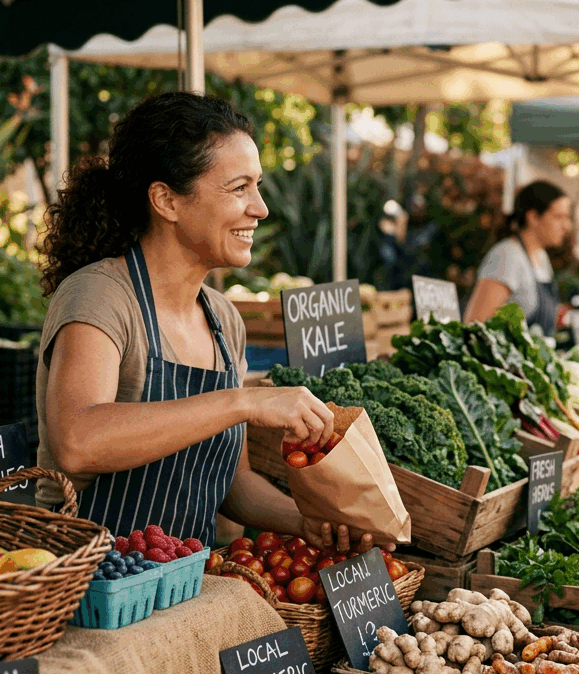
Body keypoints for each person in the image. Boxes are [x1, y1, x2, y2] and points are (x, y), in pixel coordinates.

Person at [36, 92, 376, 551]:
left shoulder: (222, 318)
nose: (260, 207)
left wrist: (302, 520)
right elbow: (78, 441)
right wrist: (242, 403)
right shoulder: (100, 297)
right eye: (239, 188)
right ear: (166, 201)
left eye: (257, 186)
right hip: (89, 586)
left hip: (183, 585)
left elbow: (231, 485)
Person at [463, 181, 570, 335]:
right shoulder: (507, 256)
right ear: (533, 217)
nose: (566, 226)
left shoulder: (541, 257)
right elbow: (475, 324)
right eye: (558, 217)